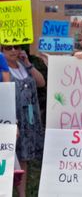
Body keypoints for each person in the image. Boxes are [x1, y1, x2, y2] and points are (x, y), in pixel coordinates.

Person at [1, 44, 45, 197]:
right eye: (8, 47)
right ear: (1, 50)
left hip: (29, 120)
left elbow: (41, 83)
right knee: (8, 157)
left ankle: (22, 194)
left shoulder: (23, 66)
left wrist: (28, 63)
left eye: (16, 47)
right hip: (11, 119)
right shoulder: (3, 70)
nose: (13, 50)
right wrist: (11, 122)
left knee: (23, 157)